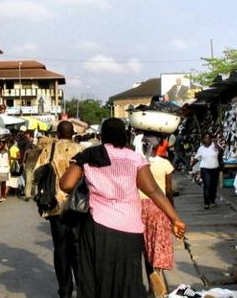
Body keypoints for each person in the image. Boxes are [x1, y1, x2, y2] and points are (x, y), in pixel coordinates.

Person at [60, 118, 186, 298]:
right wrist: (175, 219)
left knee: (96, 277)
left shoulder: (90, 154)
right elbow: (153, 190)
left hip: (97, 227)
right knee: (128, 278)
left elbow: (66, 184)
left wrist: (85, 175)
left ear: (102, 136)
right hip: (130, 228)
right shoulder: (135, 157)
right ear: (125, 136)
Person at [33, 121, 85, 298]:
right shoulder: (81, 150)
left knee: (61, 249)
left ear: (58, 133)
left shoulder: (49, 149)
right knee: (78, 248)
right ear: (73, 133)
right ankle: (82, 287)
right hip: (78, 207)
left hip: (55, 206)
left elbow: (36, 174)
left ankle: (65, 290)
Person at [140, 140, 176, 296]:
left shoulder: (138, 163)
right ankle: (158, 280)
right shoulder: (165, 164)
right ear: (158, 148)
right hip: (159, 206)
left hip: (140, 207)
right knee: (158, 244)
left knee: (146, 246)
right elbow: (168, 190)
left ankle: (151, 284)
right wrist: (172, 212)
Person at [191, 133, 222, 209]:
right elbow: (196, 158)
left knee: (213, 185)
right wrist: (191, 165)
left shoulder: (215, 146)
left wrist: (215, 143)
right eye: (205, 138)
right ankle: (206, 203)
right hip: (205, 168)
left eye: (209, 138)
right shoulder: (201, 149)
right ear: (203, 139)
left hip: (215, 168)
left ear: (211, 139)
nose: (207, 140)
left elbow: (221, 151)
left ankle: (212, 200)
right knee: (207, 184)